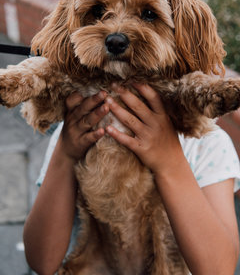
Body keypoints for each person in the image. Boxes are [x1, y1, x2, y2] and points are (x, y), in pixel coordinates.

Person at [23, 84, 240, 275]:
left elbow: (219, 269)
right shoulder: (79, 129)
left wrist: (170, 164)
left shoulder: (206, 142)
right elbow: (43, 261)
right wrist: (65, 154)